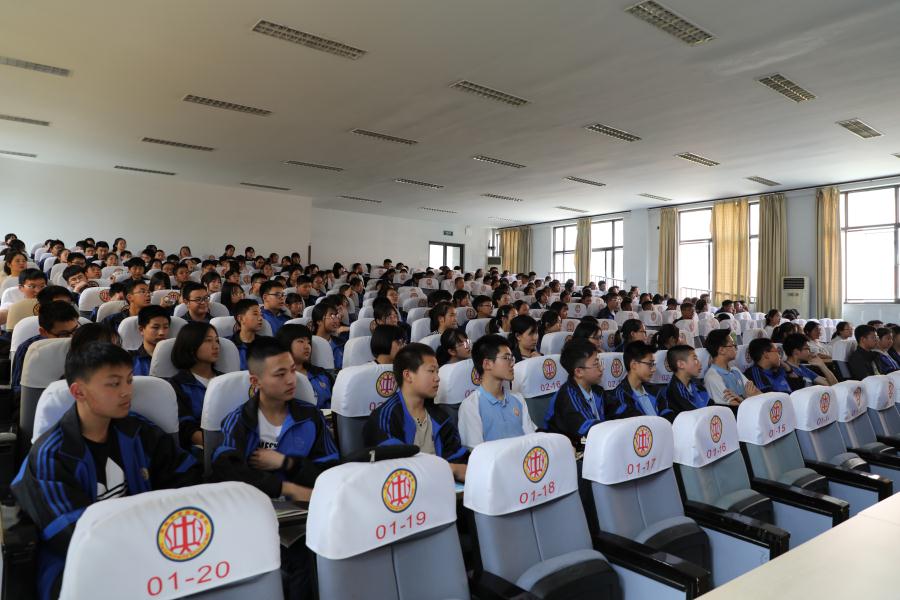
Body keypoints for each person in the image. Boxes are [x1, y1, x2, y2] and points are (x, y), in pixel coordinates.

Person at [12, 342, 201, 600]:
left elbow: (187, 477)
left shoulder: (140, 432)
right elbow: (71, 534)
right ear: (78, 391)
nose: (126, 392)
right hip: (76, 566)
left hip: (154, 551)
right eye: (114, 384)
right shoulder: (52, 455)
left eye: (129, 380)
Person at [211, 337, 338, 501]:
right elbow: (228, 472)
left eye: (293, 370)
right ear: (255, 381)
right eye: (280, 374)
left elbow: (330, 470)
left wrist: (287, 463)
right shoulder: (239, 421)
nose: (291, 380)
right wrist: (287, 489)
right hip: (255, 505)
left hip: (306, 507)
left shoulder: (311, 416)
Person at [363, 343, 467, 481]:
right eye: (431, 371)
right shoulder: (385, 417)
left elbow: (460, 460)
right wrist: (448, 469)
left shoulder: (441, 417)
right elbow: (393, 469)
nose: (437, 378)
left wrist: (454, 469)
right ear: (408, 375)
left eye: (437, 372)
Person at [458, 334, 536, 447]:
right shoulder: (471, 406)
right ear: (487, 364)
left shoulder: (518, 398)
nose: (512, 363)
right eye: (506, 358)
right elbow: (477, 451)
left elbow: (531, 439)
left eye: (512, 358)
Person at [544, 338, 607, 448]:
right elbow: (586, 433)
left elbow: (616, 411)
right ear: (579, 372)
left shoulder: (597, 390)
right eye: (596, 364)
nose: (601, 368)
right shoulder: (567, 399)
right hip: (568, 450)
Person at [168, 322, 220, 449]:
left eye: (217, 341)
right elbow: (187, 428)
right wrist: (218, 445)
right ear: (191, 347)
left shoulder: (226, 380)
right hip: (202, 448)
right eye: (208, 341)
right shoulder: (176, 385)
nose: (216, 346)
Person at [10, 300, 81, 393]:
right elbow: (18, 390)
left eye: (75, 330)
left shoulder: (86, 341)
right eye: (63, 334)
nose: (71, 338)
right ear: (43, 332)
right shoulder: (28, 349)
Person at [608, 341, 674, 420]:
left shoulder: (656, 390)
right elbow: (636, 423)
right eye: (650, 364)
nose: (654, 369)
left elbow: (667, 414)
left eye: (654, 364)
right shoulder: (619, 396)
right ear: (634, 365)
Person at [277, 324, 333, 409]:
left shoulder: (321, 374)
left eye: (309, 342)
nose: (307, 347)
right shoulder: (277, 378)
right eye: (301, 341)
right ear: (285, 343)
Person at [703, 329, 760, 406]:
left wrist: (746, 399)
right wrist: (748, 398)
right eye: (733, 345)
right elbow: (733, 406)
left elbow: (757, 393)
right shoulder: (712, 377)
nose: (736, 348)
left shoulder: (735, 370)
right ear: (721, 350)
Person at [664, 345, 712, 415]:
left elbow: (711, 405)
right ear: (681, 364)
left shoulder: (697, 385)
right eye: (695, 359)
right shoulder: (674, 391)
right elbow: (695, 414)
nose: (700, 364)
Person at [131, 305, 170, 376]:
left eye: (166, 327)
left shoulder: (176, 358)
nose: (162, 333)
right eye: (155, 327)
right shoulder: (131, 360)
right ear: (141, 330)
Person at [230, 299, 264, 370]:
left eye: (261, 315)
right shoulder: (230, 345)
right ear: (241, 318)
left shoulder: (266, 344)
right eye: (255, 314)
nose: (260, 318)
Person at [311, 299, 344, 369]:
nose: (337, 320)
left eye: (336, 316)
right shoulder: (310, 346)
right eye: (332, 316)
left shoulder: (341, 343)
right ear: (319, 321)